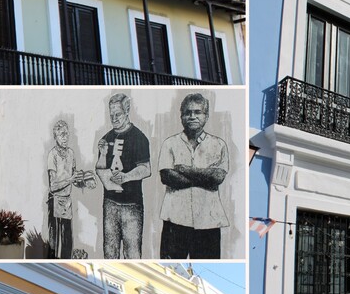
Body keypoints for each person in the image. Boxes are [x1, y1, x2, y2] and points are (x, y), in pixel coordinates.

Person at [157, 93, 229, 258]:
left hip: (208, 222)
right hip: (174, 221)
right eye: (187, 112)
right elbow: (167, 177)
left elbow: (217, 177)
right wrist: (205, 177)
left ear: (206, 116)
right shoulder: (170, 143)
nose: (192, 116)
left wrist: (186, 170)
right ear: (181, 116)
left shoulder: (218, 145)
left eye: (197, 112)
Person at [96, 93, 150, 259]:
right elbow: (99, 168)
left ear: (127, 111)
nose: (114, 118)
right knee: (109, 251)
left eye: (117, 114)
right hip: (110, 203)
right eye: (111, 115)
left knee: (132, 253)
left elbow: (146, 169)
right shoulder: (106, 138)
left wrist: (126, 177)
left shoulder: (138, 137)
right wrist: (103, 154)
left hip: (131, 205)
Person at [46, 120, 94, 259]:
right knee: (54, 243)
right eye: (62, 135)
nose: (65, 137)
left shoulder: (71, 154)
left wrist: (83, 181)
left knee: (67, 241)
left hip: (67, 201)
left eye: (67, 134)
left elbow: (74, 179)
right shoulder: (52, 155)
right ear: (55, 137)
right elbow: (53, 186)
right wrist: (71, 180)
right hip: (54, 201)